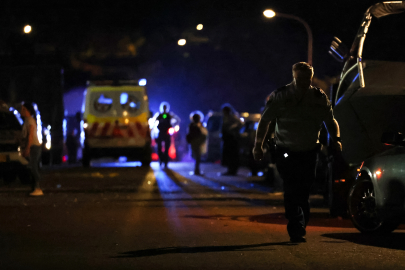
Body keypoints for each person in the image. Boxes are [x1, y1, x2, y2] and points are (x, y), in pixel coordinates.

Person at [253, 62, 342, 243]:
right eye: (300, 78)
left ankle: (301, 221)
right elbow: (265, 121)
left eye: (307, 79)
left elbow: (330, 120)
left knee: (304, 190)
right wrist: (258, 145)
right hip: (286, 150)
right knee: (291, 186)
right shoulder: (281, 95)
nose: (304, 82)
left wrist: (336, 139)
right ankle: (296, 226)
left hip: (309, 151)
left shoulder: (318, 97)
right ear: (294, 77)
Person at [20, 102, 43, 196]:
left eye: (23, 109)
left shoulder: (30, 121)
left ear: (27, 110)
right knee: (31, 167)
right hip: (32, 147)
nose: (21, 111)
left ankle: (38, 188)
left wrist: (27, 148)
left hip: (34, 147)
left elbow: (30, 135)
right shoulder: (27, 120)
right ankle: (34, 187)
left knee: (33, 167)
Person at [221, 105, 242, 176]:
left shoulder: (232, 117)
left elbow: (240, 123)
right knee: (228, 155)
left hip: (232, 139)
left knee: (232, 155)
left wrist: (231, 128)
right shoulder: (225, 118)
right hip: (227, 139)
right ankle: (230, 169)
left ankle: (233, 170)